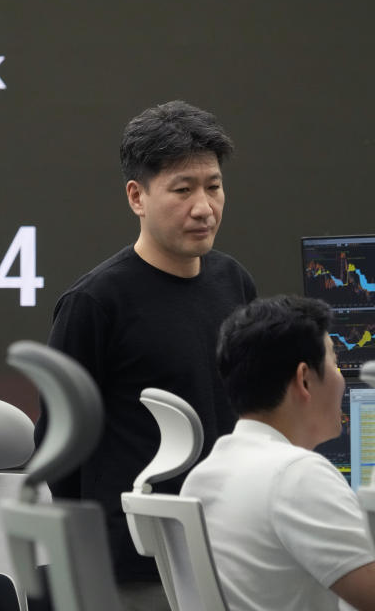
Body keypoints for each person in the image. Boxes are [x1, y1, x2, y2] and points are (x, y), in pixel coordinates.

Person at [34, 100, 256, 608]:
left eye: (214, 186)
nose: (204, 206)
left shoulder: (234, 282)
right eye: (183, 190)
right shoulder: (95, 303)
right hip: (134, 571)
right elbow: (57, 447)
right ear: (137, 196)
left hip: (227, 552)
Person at [181, 296, 375, 610]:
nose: (342, 378)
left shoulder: (205, 475)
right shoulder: (296, 473)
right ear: (304, 379)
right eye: (336, 362)